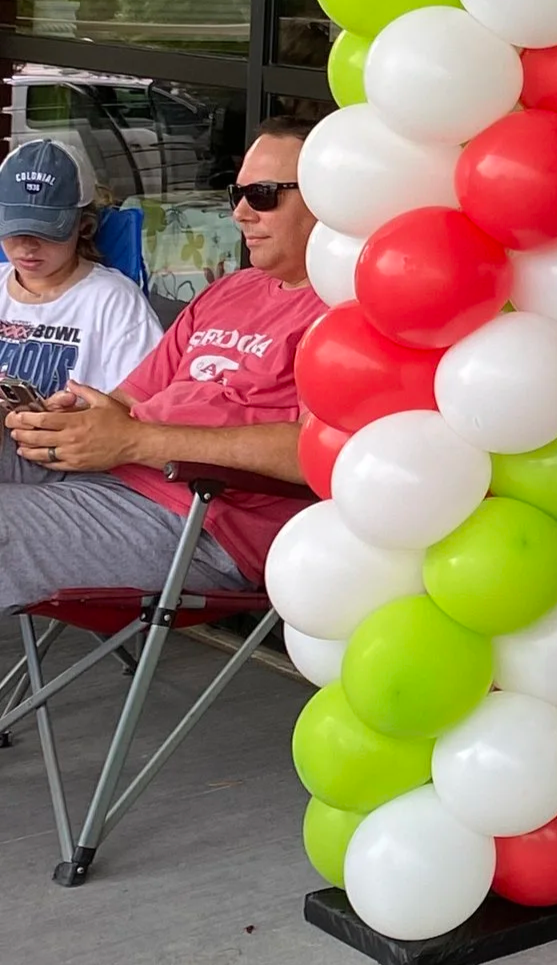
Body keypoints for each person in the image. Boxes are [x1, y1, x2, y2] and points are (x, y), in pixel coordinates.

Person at [0, 116, 322, 607]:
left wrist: (137, 439)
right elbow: (129, 400)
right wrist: (65, 420)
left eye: (263, 196)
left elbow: (314, 453)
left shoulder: (345, 314)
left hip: (199, 518)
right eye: (236, 193)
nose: (239, 213)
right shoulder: (231, 290)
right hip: (113, 475)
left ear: (330, 197)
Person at [0, 142, 162, 451]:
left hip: (64, 454)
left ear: (84, 226)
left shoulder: (113, 301)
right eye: (13, 228)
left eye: (46, 231)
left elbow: (145, 410)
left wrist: (78, 415)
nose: (26, 246)